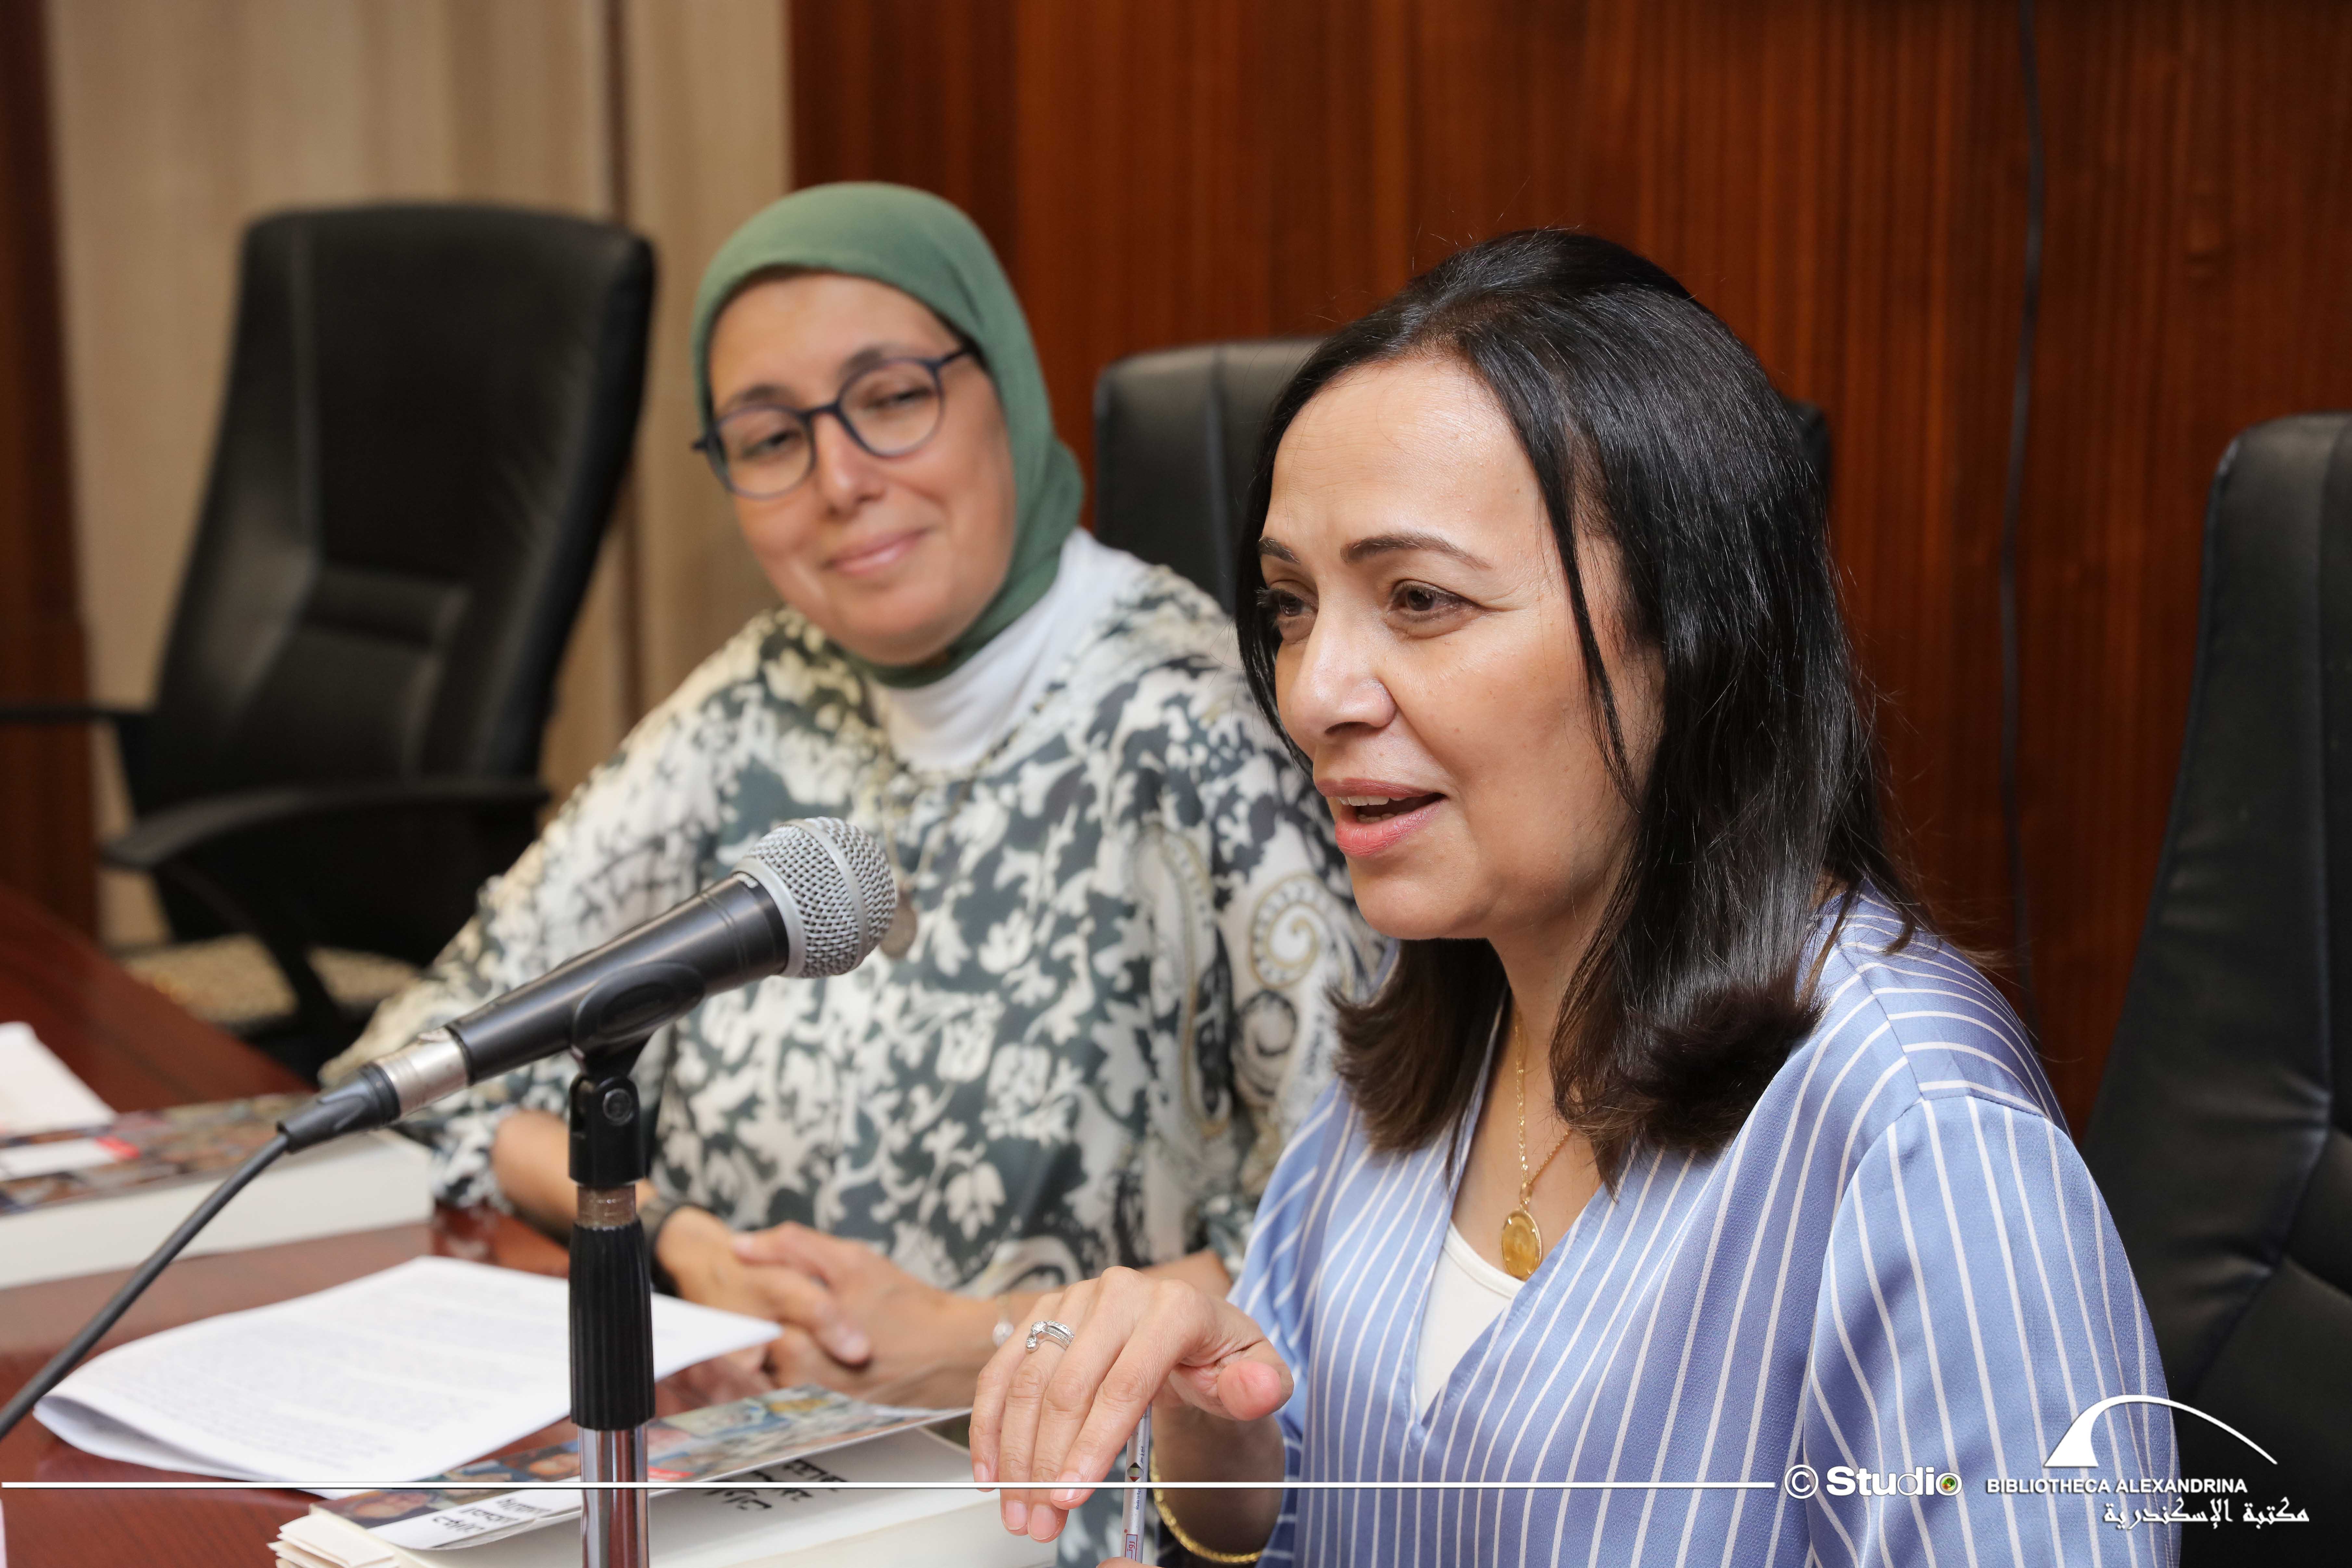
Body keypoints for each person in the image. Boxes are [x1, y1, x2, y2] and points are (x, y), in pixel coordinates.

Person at [969, 230, 2179, 1565]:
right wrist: (1212, 1409)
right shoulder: (1436, 1019)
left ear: (1692, 629)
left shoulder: (1917, 1124)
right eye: (1292, 606)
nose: (1315, 693)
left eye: (1419, 598)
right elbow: (1304, 1506)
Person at [328, 185, 1375, 1431]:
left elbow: (1357, 1239)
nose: (839, 479)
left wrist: (978, 1344)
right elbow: (428, 1059)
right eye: (772, 438)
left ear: (1007, 386)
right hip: (735, 1453)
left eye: (889, 399)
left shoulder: (1202, 725)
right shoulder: (755, 698)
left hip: (1061, 1486)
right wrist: (678, 1238)